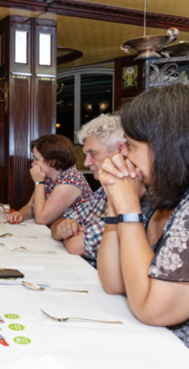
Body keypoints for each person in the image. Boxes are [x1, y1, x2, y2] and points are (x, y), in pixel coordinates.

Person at [97, 82, 189, 365]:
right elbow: (114, 282)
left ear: (168, 148)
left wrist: (128, 209)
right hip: (157, 343)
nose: (123, 156)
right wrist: (116, 201)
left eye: (131, 146)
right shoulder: (161, 196)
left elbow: (152, 309)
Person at [50, 114, 124, 266]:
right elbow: (57, 224)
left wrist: (69, 235)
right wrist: (63, 228)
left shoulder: (135, 194)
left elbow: (76, 246)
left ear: (120, 150)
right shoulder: (104, 190)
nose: (86, 162)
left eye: (93, 154)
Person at [8, 134, 92, 225]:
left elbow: (42, 219)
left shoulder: (71, 179)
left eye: (36, 159)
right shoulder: (48, 177)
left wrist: (39, 182)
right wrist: (22, 214)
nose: (33, 164)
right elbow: (31, 206)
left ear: (52, 162)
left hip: (79, 235)